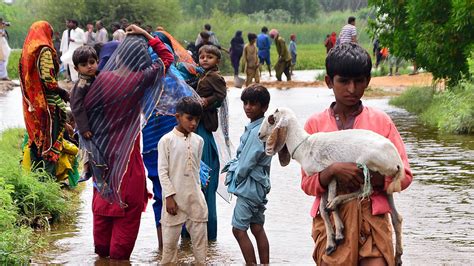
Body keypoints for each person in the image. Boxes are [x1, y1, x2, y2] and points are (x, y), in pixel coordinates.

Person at [301, 43, 413, 265]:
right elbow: (307, 183)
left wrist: (372, 178)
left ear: (367, 82)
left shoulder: (380, 122)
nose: (352, 89)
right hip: (331, 224)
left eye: (359, 81)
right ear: (329, 82)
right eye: (343, 81)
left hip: (372, 219)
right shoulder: (315, 125)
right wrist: (332, 171)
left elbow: (405, 175)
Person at [81, 24, 174, 260]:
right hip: (128, 168)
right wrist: (146, 35)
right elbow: (166, 57)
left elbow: (80, 107)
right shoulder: (141, 80)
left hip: (103, 165)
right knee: (120, 255)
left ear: (118, 58)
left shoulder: (99, 80)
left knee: (101, 251)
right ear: (141, 61)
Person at [19, 21, 79, 186]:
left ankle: (36, 181)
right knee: (51, 142)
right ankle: (48, 183)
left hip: (33, 104)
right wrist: (63, 92)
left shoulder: (27, 52)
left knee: (37, 140)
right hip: (48, 104)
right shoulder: (44, 50)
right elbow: (48, 80)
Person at [222, 84, 271, 264]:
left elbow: (245, 163)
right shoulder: (261, 127)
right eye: (245, 103)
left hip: (249, 188)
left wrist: (236, 180)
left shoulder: (258, 131)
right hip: (259, 186)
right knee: (257, 227)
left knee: (238, 230)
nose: (248, 107)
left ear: (264, 107)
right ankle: (265, 264)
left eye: (253, 104)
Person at [158, 97, 208, 264]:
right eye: (189, 118)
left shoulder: (199, 141)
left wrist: (199, 193)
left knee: (201, 246)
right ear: (177, 116)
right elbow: (162, 172)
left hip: (195, 197)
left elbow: (196, 170)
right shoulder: (166, 140)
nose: (193, 123)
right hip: (174, 200)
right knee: (170, 247)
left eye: (197, 119)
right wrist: (169, 196)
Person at [196, 45, 227, 240]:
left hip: (205, 124)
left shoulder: (215, 77)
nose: (205, 59)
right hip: (201, 123)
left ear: (217, 60)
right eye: (202, 57)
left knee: (204, 181)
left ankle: (208, 235)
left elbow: (221, 96)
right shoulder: (203, 75)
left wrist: (206, 102)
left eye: (209, 57)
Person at [70, 46, 99, 182]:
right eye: (83, 65)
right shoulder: (81, 84)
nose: (89, 67)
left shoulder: (98, 77)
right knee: (87, 146)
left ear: (97, 61)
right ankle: (86, 170)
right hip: (85, 123)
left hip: (97, 120)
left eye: (92, 62)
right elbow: (77, 107)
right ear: (76, 69)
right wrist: (84, 128)